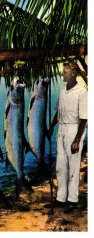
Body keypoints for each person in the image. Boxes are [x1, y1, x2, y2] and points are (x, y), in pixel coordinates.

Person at [48, 60, 87, 213]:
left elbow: (84, 118)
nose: (62, 74)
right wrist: (52, 126)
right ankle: (60, 198)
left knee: (73, 166)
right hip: (61, 130)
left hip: (74, 129)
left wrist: (77, 140)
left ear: (73, 74)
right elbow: (58, 111)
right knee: (61, 165)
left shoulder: (82, 92)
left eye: (64, 72)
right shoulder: (63, 90)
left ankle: (73, 200)